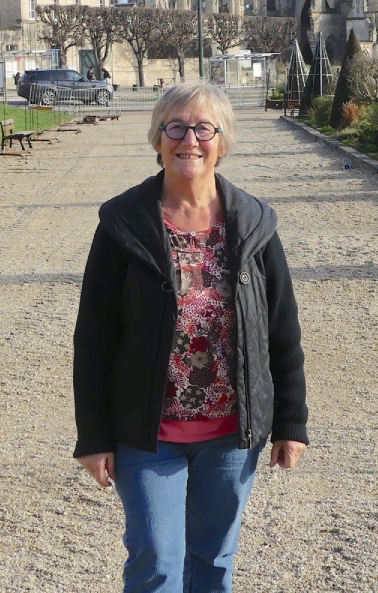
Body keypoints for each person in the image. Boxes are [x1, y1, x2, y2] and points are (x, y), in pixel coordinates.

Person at [73, 80, 308, 592]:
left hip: (231, 432)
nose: (189, 140)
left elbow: (282, 330)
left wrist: (291, 422)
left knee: (213, 560)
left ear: (222, 142)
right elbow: (93, 340)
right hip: (146, 432)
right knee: (157, 561)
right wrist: (92, 437)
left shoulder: (255, 223)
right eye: (175, 127)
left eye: (204, 128)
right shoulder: (122, 223)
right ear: (158, 139)